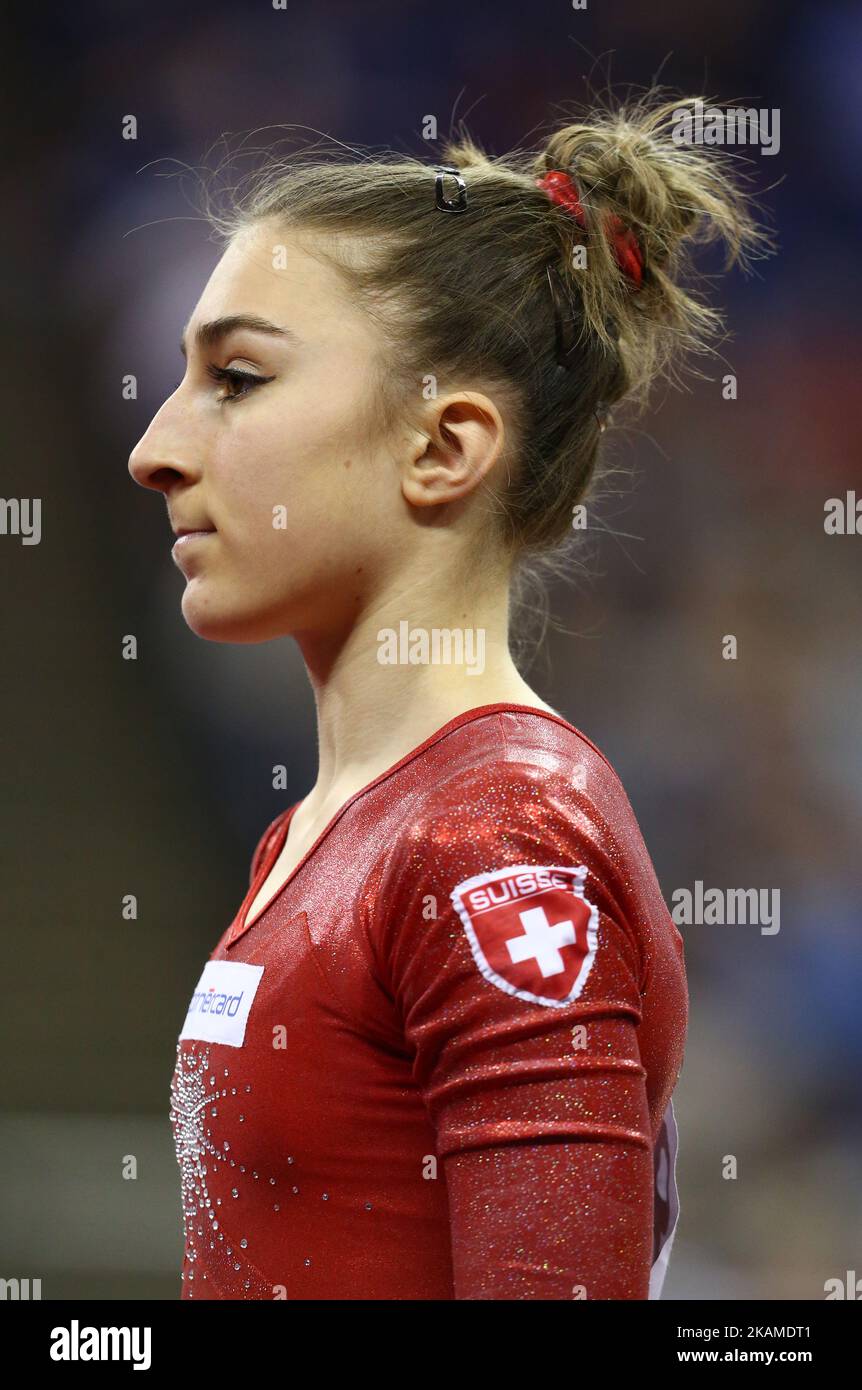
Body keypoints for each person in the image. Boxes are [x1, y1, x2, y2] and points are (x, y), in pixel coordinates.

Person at [129, 95, 760, 1299]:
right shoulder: (325, 833)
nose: (155, 449)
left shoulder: (492, 836)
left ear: (443, 446)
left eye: (238, 378)